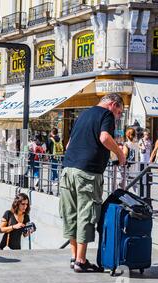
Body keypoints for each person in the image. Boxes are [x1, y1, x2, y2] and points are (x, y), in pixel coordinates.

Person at [59, 93, 125, 273]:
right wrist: (120, 154)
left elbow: (68, 144)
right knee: (86, 214)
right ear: (112, 105)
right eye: (119, 112)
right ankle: (81, 260)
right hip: (88, 172)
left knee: (70, 214)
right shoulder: (106, 115)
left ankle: (74, 257)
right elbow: (104, 138)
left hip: (67, 170)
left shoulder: (84, 114)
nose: (118, 117)